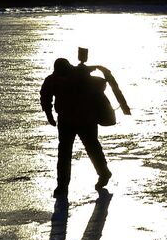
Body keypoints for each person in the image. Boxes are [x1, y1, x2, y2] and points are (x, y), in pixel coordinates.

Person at [40, 55, 113, 197]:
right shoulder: (68, 76)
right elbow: (46, 96)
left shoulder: (69, 76)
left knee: (82, 150)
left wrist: (49, 115)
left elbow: (45, 96)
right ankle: (62, 186)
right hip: (74, 121)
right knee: (72, 152)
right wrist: (49, 115)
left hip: (83, 120)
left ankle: (102, 173)